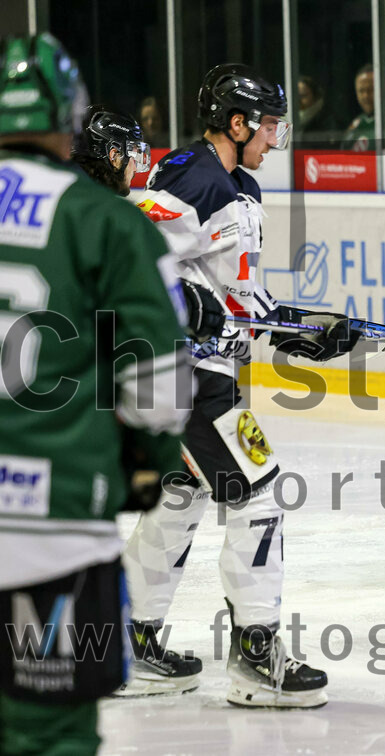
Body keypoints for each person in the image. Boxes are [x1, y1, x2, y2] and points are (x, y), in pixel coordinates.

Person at [122, 64, 362, 708]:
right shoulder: (193, 177)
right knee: (259, 496)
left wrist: (302, 330)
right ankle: (257, 659)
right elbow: (127, 258)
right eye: (270, 125)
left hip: (205, 374)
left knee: (179, 499)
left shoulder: (242, 188)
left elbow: (239, 299)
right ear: (237, 123)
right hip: (180, 376)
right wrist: (182, 304)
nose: (276, 138)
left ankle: (126, 646)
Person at [0, 33, 191, 754]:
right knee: (53, 735)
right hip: (52, 528)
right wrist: (147, 462)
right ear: (69, 122)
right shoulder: (105, 220)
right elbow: (159, 382)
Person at [71, 105, 151, 196]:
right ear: (114, 156)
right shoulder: (104, 204)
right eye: (133, 157)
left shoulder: (68, 193)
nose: (135, 169)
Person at [295, 74, 337, 143]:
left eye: (303, 96)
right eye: (295, 96)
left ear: (315, 95)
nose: (298, 100)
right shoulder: (286, 119)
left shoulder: (327, 121)